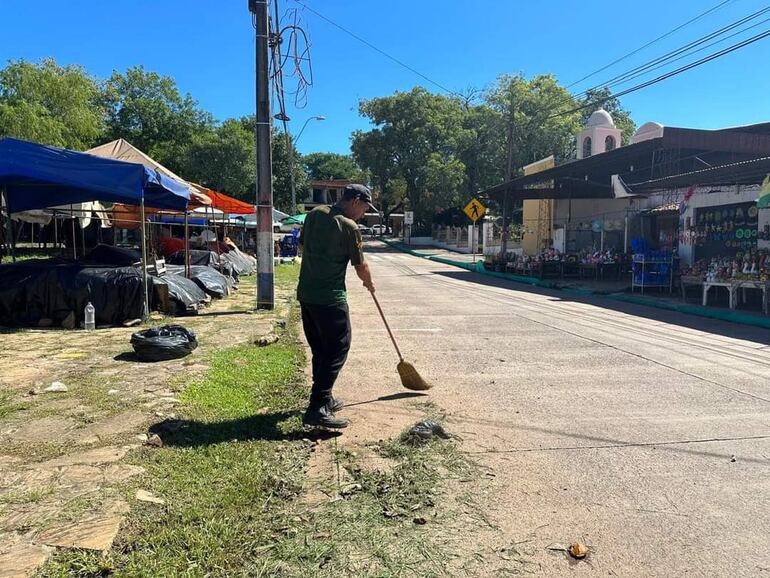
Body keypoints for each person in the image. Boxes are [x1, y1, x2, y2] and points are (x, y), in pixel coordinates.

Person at [297, 184, 376, 429]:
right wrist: (370, 284)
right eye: (365, 207)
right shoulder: (349, 227)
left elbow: (301, 246)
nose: (364, 213)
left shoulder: (314, 214)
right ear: (354, 200)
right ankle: (317, 406)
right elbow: (360, 266)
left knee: (320, 350)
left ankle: (324, 397)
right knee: (337, 349)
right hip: (330, 299)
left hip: (307, 295)